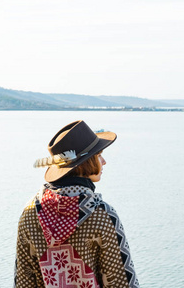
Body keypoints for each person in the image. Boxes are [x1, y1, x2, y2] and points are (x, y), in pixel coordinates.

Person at [14, 120, 139, 288]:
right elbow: (121, 282)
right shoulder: (102, 215)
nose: (104, 162)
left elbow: (23, 282)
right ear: (86, 162)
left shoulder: (30, 213)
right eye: (99, 155)